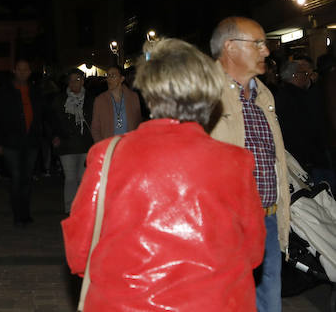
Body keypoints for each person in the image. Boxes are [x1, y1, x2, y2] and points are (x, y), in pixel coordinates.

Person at [63, 38, 265, 311]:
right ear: (209, 96)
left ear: (149, 93)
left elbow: (79, 253)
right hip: (214, 302)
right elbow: (252, 252)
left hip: (126, 303)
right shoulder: (236, 161)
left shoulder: (108, 155)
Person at [209, 16, 289, 312]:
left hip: (267, 218)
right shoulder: (204, 94)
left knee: (269, 299)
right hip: (227, 224)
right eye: (257, 43)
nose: (266, 51)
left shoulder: (263, 94)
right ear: (230, 47)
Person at [0, 59, 44, 226]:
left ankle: (25, 212)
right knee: (16, 177)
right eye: (19, 70)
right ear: (14, 71)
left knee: (27, 178)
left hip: (30, 142)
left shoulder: (35, 91)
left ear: (30, 72)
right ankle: (18, 214)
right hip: (11, 142)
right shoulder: (5, 92)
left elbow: (42, 115)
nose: (23, 72)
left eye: (26, 69)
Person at [277, 59, 330, 185]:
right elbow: (310, 125)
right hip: (307, 156)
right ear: (295, 76)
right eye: (305, 74)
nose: (308, 77)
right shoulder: (299, 97)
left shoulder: (281, 95)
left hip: (297, 154)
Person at [50, 69, 94, 215]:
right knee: (70, 177)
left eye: (77, 79)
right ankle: (70, 208)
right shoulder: (60, 99)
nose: (74, 83)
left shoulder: (90, 99)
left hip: (85, 143)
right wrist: (57, 135)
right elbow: (53, 119)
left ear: (82, 81)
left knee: (83, 178)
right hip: (67, 144)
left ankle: (82, 207)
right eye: (71, 80)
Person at [90, 64, 141, 142]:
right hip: (109, 146)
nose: (109, 79)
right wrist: (102, 146)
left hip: (129, 144)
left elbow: (138, 122)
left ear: (122, 79)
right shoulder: (100, 100)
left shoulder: (133, 97)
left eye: (113, 76)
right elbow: (95, 128)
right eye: (108, 75)